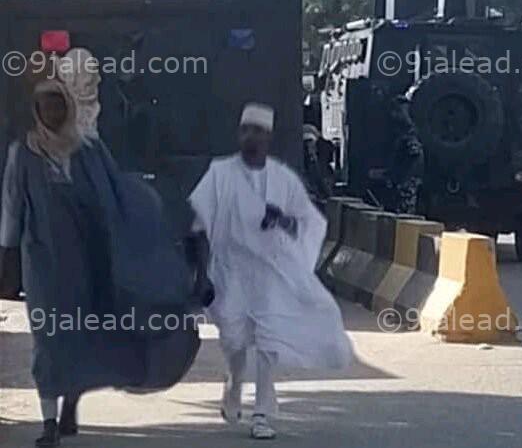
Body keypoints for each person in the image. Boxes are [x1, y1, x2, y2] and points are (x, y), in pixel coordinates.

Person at [0, 78, 199, 447]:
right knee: (48, 340)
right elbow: (12, 210)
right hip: (43, 265)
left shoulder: (89, 150)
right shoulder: (23, 154)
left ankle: (71, 401)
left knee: (83, 334)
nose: (53, 112)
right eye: (46, 106)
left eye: (59, 105)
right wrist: (6, 258)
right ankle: (48, 424)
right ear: (36, 111)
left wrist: (146, 222)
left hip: (87, 260)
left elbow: (118, 195)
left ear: (69, 108)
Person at [188, 103, 353, 440]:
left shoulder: (282, 179)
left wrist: (282, 219)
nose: (252, 136)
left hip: (270, 273)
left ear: (269, 137)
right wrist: (201, 275)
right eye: (247, 129)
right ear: (239, 134)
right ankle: (234, 386)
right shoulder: (220, 174)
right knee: (234, 340)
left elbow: (307, 222)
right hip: (230, 270)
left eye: (259, 131)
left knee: (268, 340)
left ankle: (262, 413)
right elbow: (198, 228)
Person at [388, 97, 424, 215]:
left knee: (404, 216)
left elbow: (416, 156)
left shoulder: (410, 132)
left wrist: (405, 180)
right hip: (402, 181)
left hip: (406, 183)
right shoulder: (402, 132)